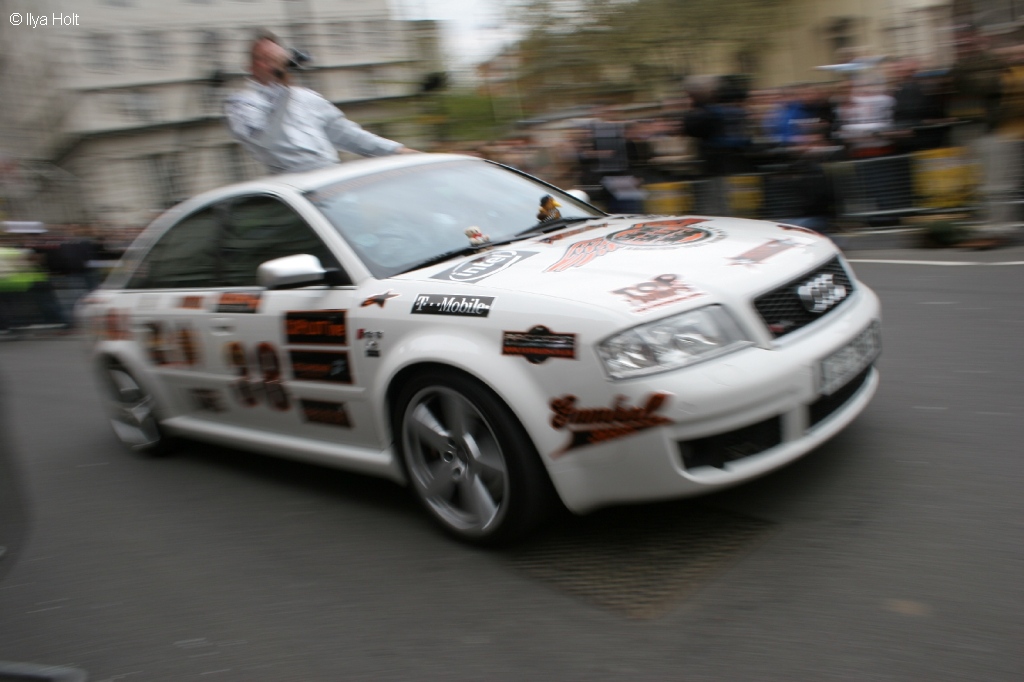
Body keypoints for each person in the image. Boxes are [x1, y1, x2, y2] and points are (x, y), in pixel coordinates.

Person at [225, 31, 417, 175]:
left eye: (277, 58)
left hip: (331, 178)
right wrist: (284, 88)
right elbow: (267, 140)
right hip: (294, 188)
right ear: (251, 67)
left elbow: (349, 135)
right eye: (265, 59)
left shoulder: (307, 97)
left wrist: (396, 150)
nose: (273, 64)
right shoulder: (241, 103)